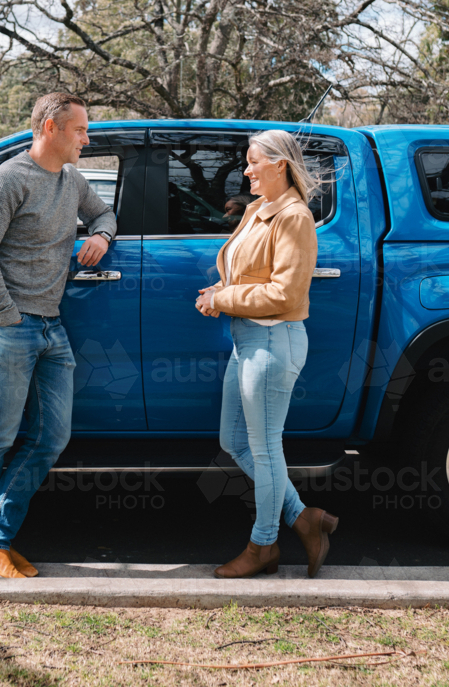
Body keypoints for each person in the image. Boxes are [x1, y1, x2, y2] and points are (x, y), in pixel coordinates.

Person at [0, 92, 116, 578]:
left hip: (50, 327)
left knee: (52, 435)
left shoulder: (71, 180)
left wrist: (100, 236)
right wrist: (7, 315)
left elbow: (104, 214)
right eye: (80, 131)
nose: (86, 141)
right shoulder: (9, 179)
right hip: (6, 324)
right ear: (51, 127)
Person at [195, 130, 338, 579]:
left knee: (264, 447)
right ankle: (304, 518)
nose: (246, 169)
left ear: (279, 165)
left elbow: (285, 292)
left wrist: (224, 300)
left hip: (274, 340)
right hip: (247, 341)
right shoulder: (258, 210)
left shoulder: (294, 217)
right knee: (234, 441)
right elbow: (246, 271)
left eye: (254, 162)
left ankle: (264, 547)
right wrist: (220, 289)